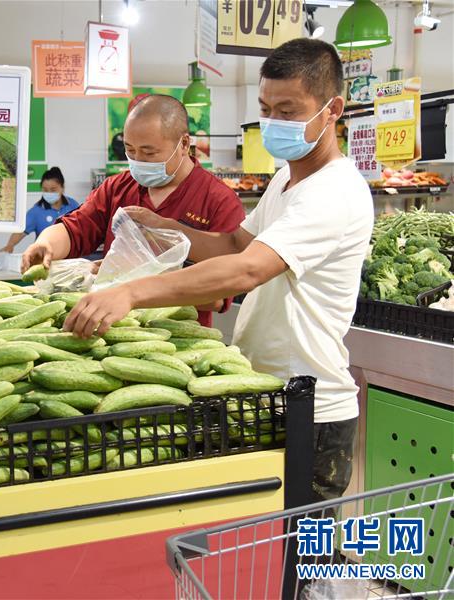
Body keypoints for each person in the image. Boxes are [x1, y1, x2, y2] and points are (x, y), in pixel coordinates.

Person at [61, 38, 373, 502]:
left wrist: (130, 293)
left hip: (312, 408)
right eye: (266, 108)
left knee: (299, 563)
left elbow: (247, 270)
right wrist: (168, 227)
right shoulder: (288, 179)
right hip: (263, 390)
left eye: (288, 111)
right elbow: (233, 243)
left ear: (333, 110)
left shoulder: (334, 192)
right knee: (260, 563)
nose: (273, 123)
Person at [21, 94, 244, 327]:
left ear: (184, 144)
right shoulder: (117, 188)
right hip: (114, 332)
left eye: (149, 153)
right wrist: (46, 244)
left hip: (178, 339)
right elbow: (76, 228)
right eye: (130, 150)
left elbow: (219, 294)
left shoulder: (219, 200)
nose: (138, 160)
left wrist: (132, 281)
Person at [0, 167, 78, 253]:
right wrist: (10, 245)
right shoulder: (36, 211)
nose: (49, 193)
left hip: (69, 257)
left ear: (62, 188)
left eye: (53, 190)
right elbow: (20, 231)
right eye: (45, 190)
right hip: (44, 257)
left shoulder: (73, 205)